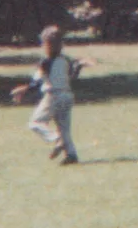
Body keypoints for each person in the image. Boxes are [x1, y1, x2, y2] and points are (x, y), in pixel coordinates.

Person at [10, 26, 96, 165]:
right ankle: (71, 155)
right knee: (64, 128)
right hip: (67, 96)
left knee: (35, 123)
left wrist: (22, 91)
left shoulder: (44, 63)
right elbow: (71, 76)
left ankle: (57, 139)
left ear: (46, 44)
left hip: (53, 96)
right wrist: (80, 65)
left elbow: (36, 83)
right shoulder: (66, 60)